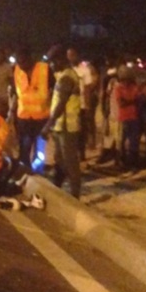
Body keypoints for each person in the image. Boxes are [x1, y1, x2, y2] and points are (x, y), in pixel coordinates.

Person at [42, 45, 81, 198]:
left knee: (70, 163)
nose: (51, 65)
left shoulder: (67, 78)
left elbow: (60, 105)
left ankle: (75, 196)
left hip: (67, 127)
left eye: (52, 61)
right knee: (60, 161)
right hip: (61, 126)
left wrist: (47, 126)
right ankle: (57, 189)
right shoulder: (63, 75)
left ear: (59, 60)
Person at [12, 45, 52, 167]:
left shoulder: (45, 69)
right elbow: (16, 94)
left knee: (39, 150)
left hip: (41, 117)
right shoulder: (17, 70)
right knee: (24, 148)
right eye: (19, 61)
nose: (21, 65)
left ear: (30, 58)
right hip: (23, 118)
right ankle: (25, 170)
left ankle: (38, 171)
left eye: (23, 61)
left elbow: (54, 91)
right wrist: (12, 113)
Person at [67, 47, 95, 159]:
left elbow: (87, 89)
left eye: (72, 55)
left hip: (81, 105)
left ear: (78, 55)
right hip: (68, 106)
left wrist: (87, 106)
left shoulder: (85, 70)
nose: (70, 58)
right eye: (68, 55)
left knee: (81, 131)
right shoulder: (67, 70)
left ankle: (81, 152)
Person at [116, 67, 140, 172]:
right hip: (124, 118)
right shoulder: (118, 89)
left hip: (133, 118)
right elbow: (121, 103)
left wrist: (129, 101)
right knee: (122, 142)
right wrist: (132, 101)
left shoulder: (134, 87)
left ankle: (132, 164)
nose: (125, 82)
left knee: (133, 142)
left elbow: (137, 101)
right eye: (123, 79)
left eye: (127, 79)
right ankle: (123, 162)